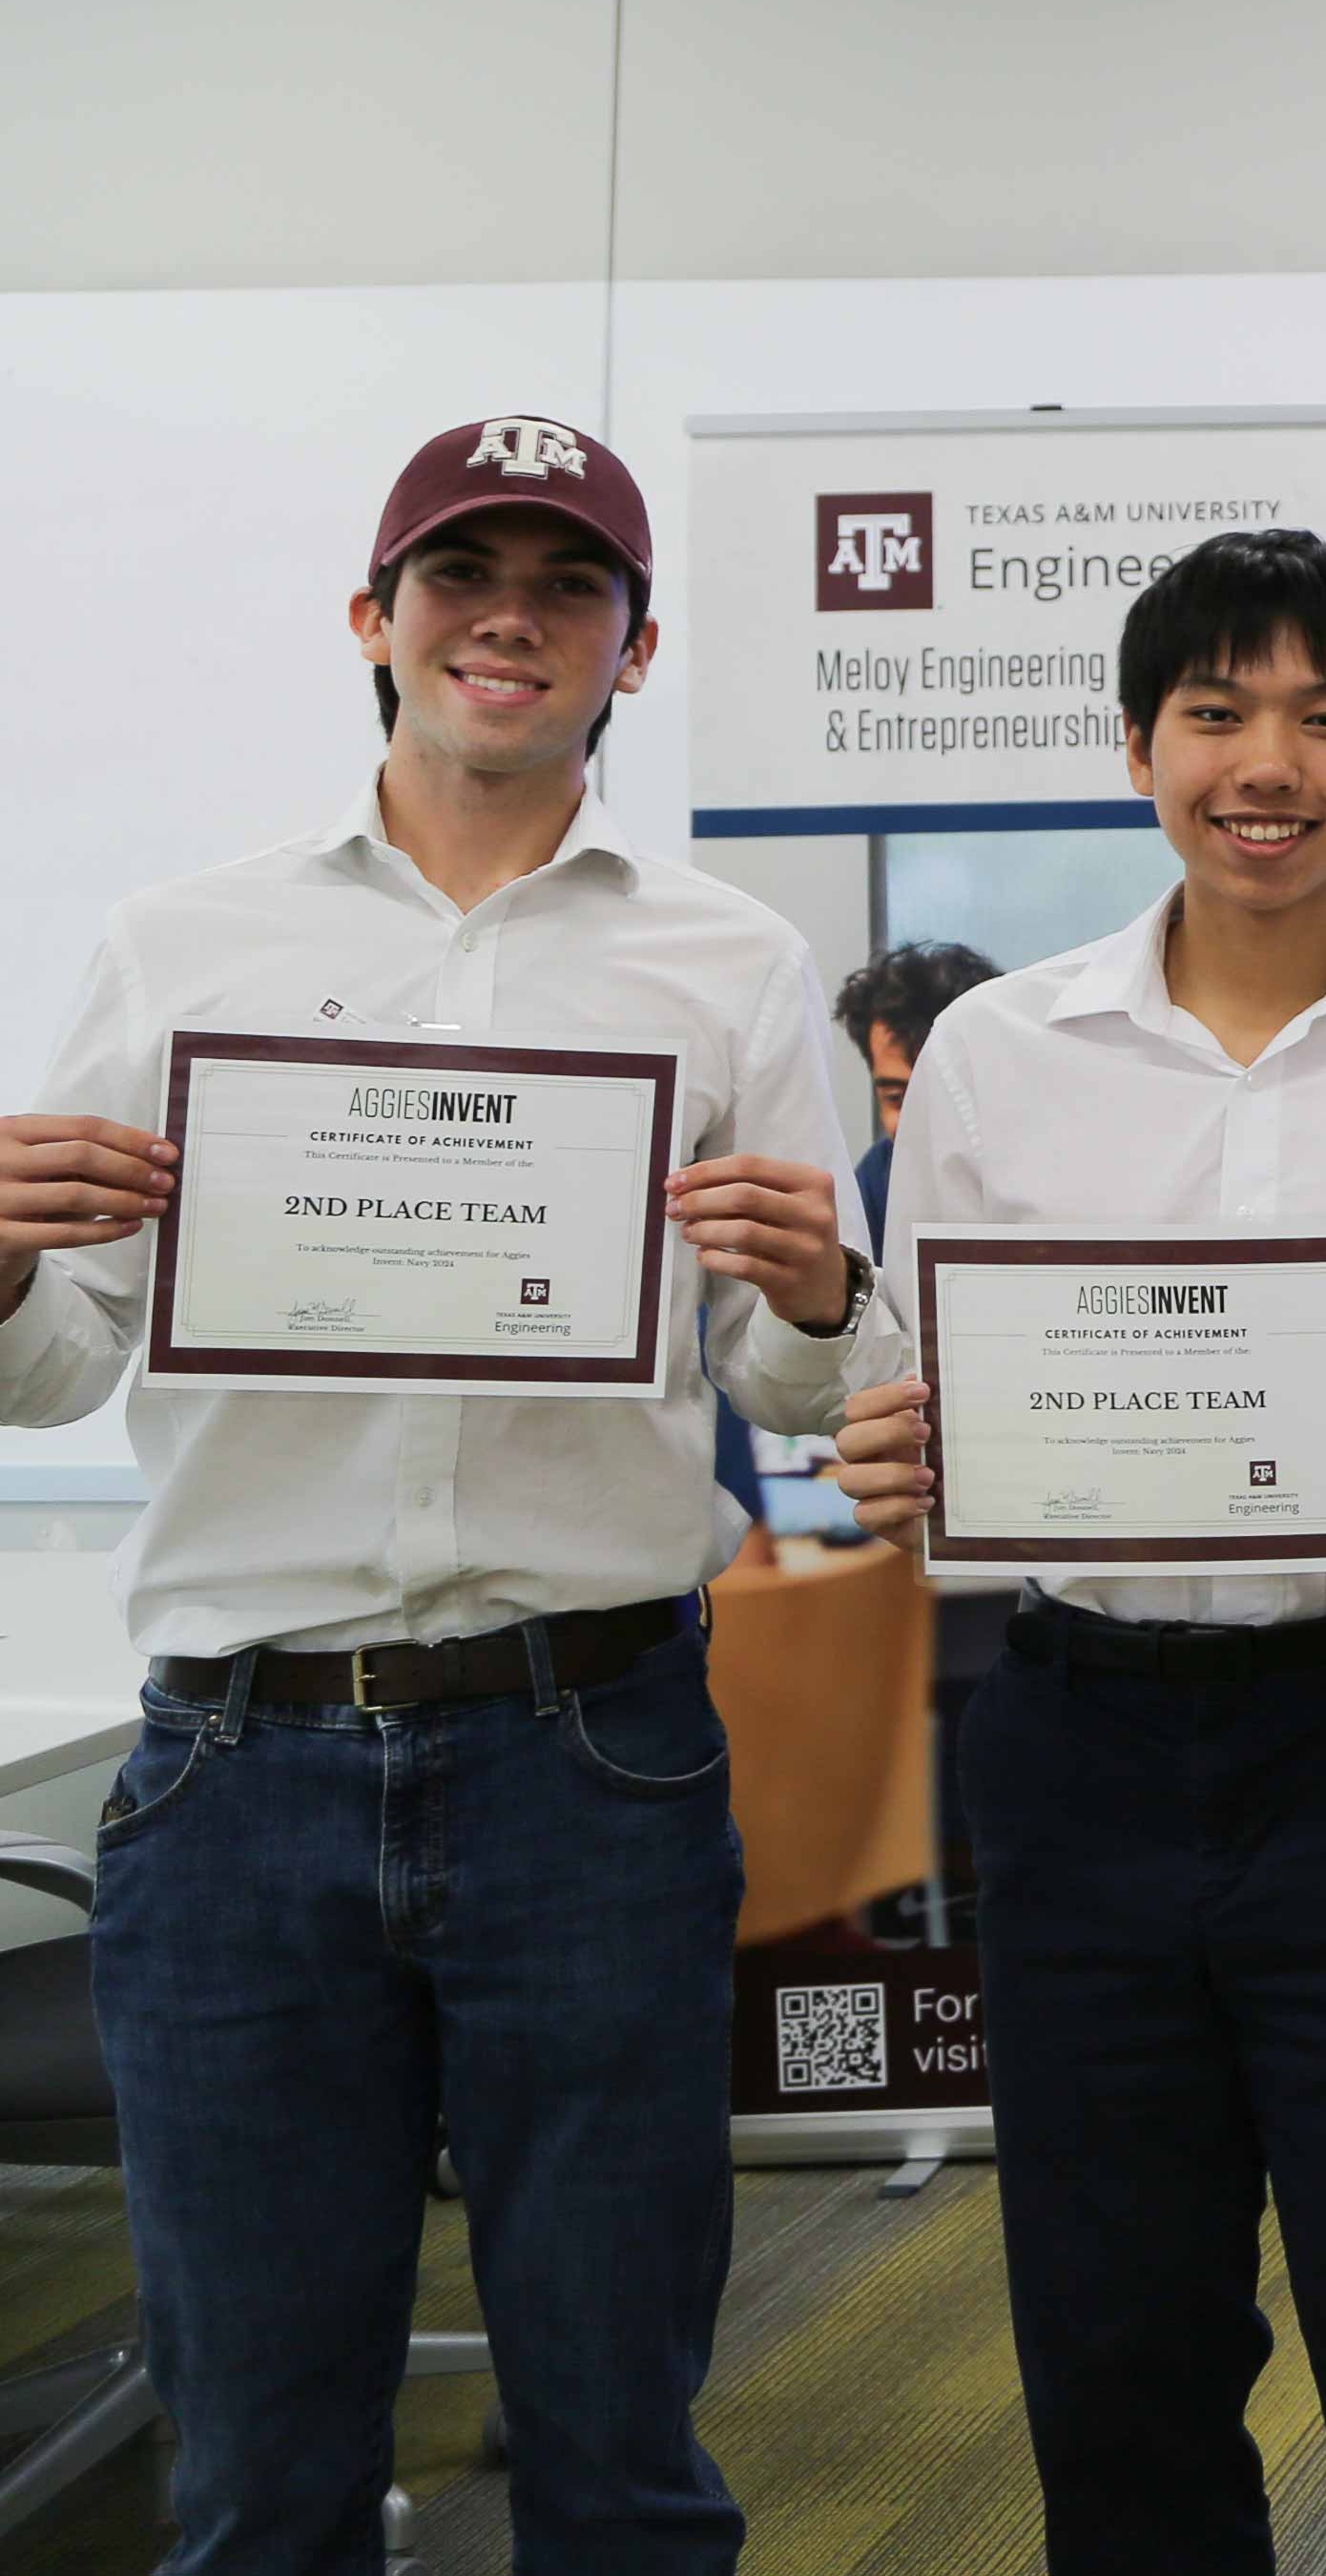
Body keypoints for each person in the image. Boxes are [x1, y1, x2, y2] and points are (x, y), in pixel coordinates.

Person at [0, 414, 886, 2566]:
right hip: (236, 1763)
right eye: (463, 572)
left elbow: (782, 1375)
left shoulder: (726, 962)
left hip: (589, 1749)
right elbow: (53, 1370)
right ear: (375, 620)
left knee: (619, 2445)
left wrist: (816, 1286)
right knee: (257, 2468)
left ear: (635, 647)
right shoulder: (184, 943)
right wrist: (9, 1258)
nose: (512, 616)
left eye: (566, 584)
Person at [819, 529, 1326, 2572]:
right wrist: (892, 1444)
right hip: (1081, 1734)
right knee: (1116, 2335)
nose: (1272, 760)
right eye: (1219, 712)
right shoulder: (1002, 1052)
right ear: (1138, 746)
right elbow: (912, 1369)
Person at [832, 937, 1001, 1253]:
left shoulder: (1040, 1172)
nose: (915, 1121)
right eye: (896, 1098)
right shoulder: (878, 1181)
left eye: (942, 1095)